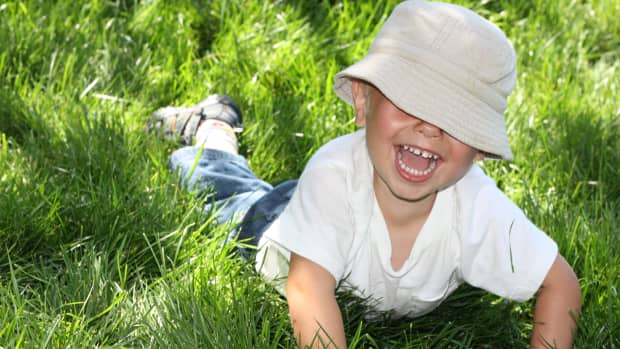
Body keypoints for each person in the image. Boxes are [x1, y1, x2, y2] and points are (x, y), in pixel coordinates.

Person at [147, 1, 582, 348]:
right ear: (362, 100)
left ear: (481, 148)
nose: (429, 127)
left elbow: (560, 283)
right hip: (278, 223)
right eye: (411, 100)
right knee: (220, 186)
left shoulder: (477, 207)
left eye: (455, 118)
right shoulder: (333, 174)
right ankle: (212, 127)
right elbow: (307, 289)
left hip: (339, 217)